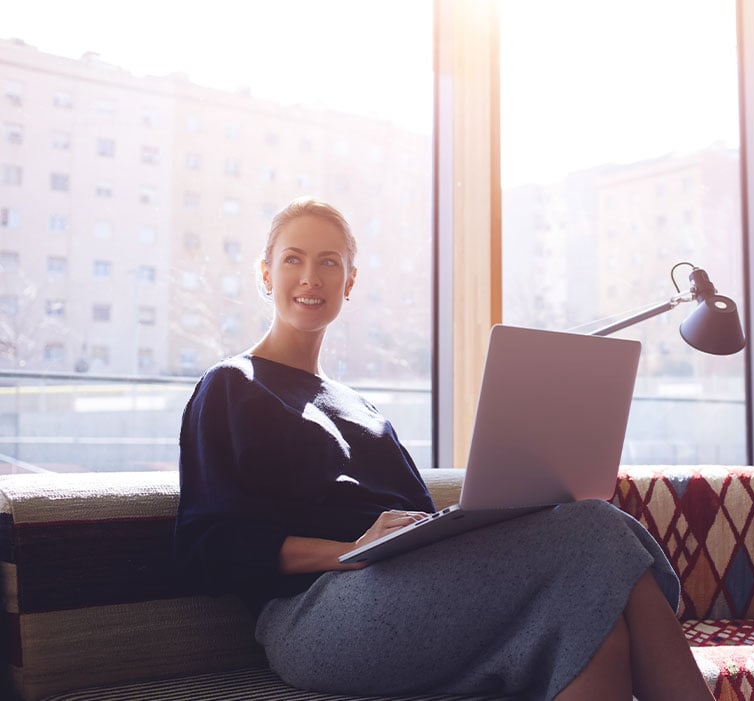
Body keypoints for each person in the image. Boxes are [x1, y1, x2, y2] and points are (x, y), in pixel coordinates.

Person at [174, 196, 715, 701]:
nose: (310, 278)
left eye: (330, 263)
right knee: (596, 525)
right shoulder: (232, 385)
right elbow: (208, 545)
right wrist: (349, 551)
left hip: (405, 592)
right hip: (311, 614)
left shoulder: (362, 410)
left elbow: (419, 522)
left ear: (350, 282)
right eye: (292, 260)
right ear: (265, 274)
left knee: (592, 618)